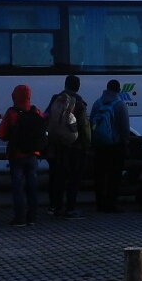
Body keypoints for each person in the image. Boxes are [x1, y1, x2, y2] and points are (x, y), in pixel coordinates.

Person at [0, 84, 47, 226]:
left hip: (17, 154)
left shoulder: (12, 113)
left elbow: (1, 134)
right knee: (32, 186)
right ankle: (32, 217)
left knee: (18, 187)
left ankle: (19, 217)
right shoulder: (36, 111)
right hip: (33, 154)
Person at [44, 75, 90, 218]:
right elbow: (84, 127)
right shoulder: (79, 103)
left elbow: (46, 117)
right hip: (75, 147)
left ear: (65, 85)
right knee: (73, 179)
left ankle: (55, 208)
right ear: (78, 87)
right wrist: (87, 145)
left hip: (56, 145)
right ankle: (70, 209)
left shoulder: (55, 99)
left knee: (57, 177)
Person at [88, 80, 132, 213]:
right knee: (114, 175)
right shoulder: (120, 105)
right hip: (115, 145)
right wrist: (125, 142)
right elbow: (125, 127)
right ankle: (111, 204)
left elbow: (91, 124)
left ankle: (100, 204)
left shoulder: (97, 103)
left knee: (100, 175)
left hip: (100, 145)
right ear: (119, 90)